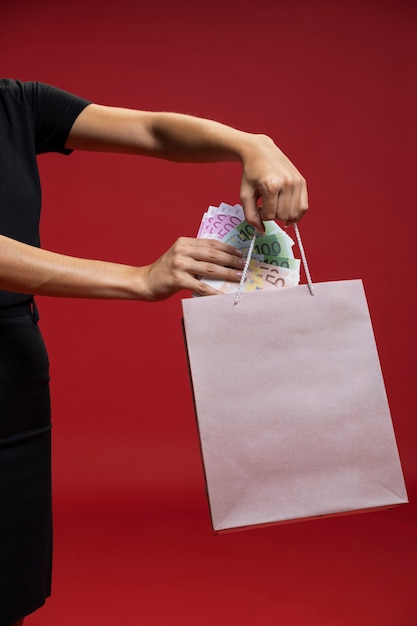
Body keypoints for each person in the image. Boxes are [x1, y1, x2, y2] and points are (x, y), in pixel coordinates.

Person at [0, 78, 308, 625]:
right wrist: (138, 278)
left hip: (11, 371)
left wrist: (249, 142)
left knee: (6, 591)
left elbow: (149, 128)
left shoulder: (11, 101)